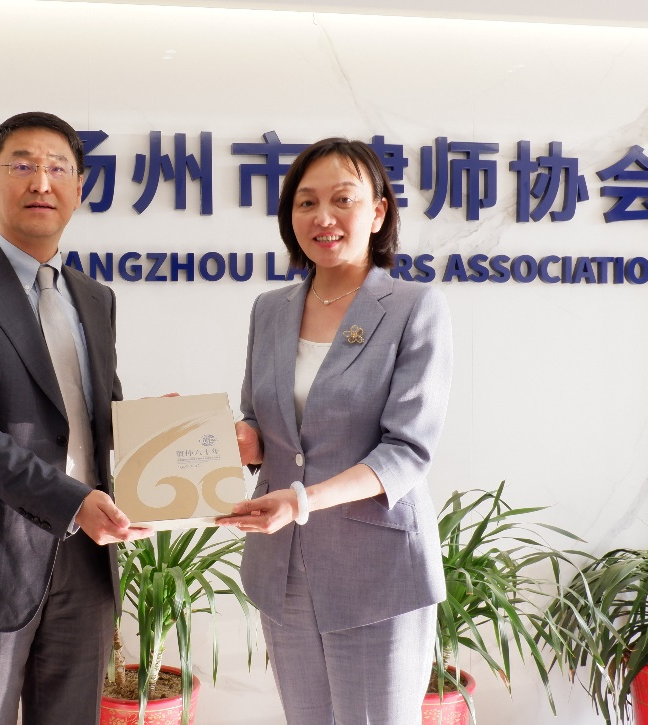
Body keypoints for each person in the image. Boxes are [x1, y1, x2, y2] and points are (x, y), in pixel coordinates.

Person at [0, 111, 149, 725]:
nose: (42, 182)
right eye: (23, 166)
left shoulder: (95, 297)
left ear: (79, 188)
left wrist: (161, 434)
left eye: (58, 168)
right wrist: (71, 500)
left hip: (88, 558)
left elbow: (99, 416)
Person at [218, 138, 453, 724]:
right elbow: (260, 422)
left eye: (342, 199)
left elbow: (407, 451)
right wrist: (212, 437)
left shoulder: (414, 307)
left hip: (378, 572)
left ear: (377, 212)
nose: (322, 217)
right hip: (284, 567)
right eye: (306, 202)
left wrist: (302, 500)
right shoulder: (270, 309)